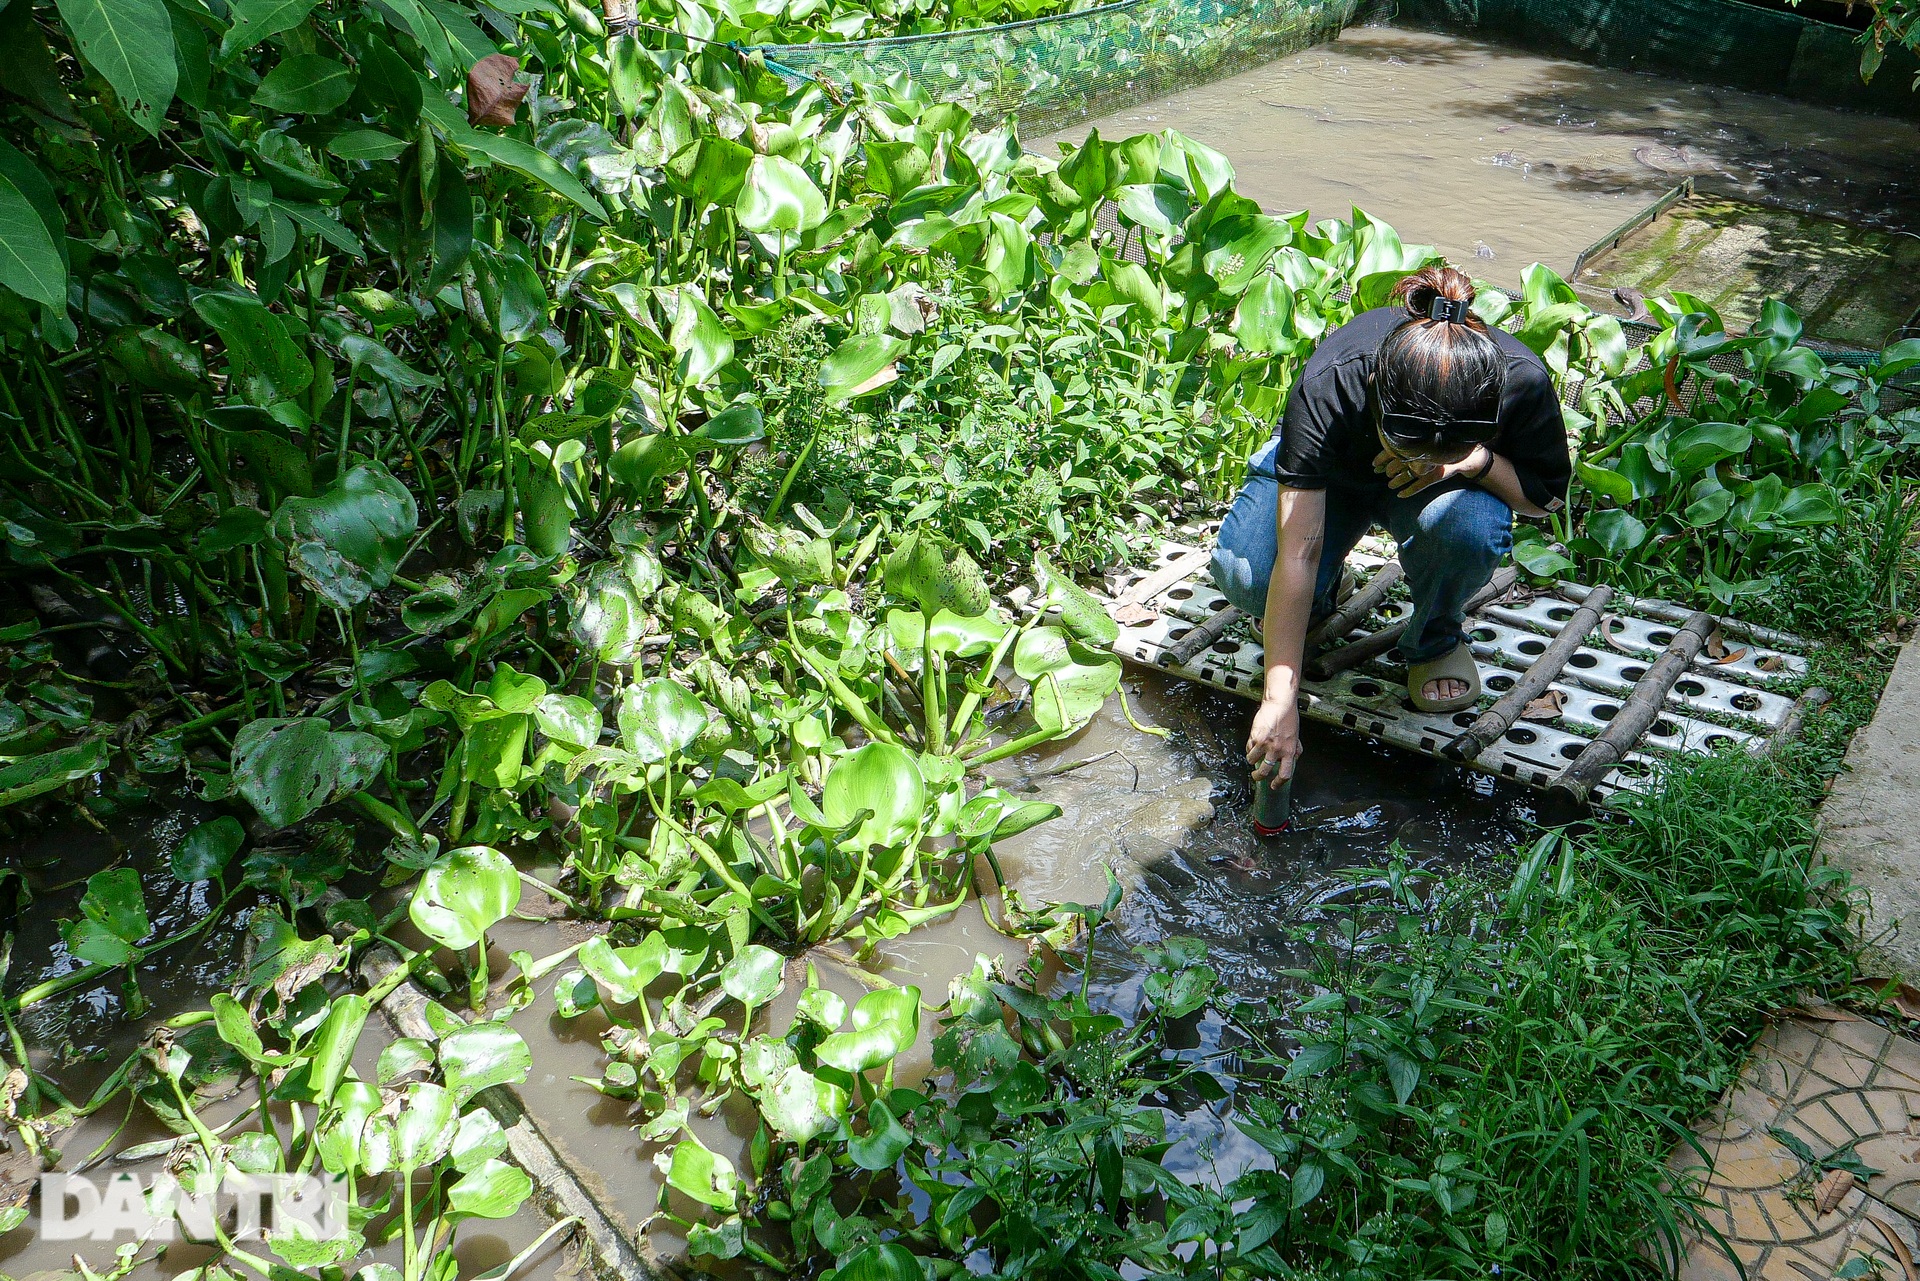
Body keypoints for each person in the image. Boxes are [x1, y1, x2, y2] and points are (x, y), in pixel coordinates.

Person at [1210, 265, 1572, 789]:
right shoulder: (1338, 375)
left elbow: (1547, 500)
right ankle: (1318, 599)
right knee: (1250, 573)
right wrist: (1278, 698)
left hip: (1439, 495)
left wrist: (1470, 464)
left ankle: (1434, 640)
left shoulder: (1520, 380)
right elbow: (1298, 550)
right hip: (1329, 482)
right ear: (1377, 392)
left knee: (1468, 526)